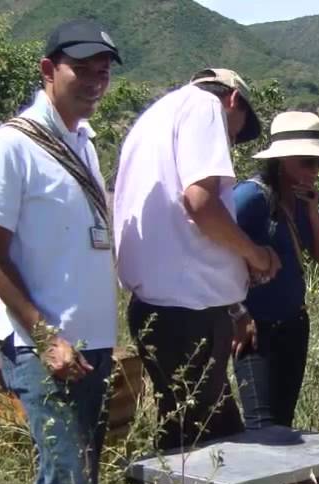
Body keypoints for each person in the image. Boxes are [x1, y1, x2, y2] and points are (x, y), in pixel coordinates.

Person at [0, 19, 121, 484]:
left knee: (79, 476)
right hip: (47, 349)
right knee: (65, 482)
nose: (94, 79)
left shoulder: (82, 142)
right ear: (47, 69)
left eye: (104, 69)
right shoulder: (11, 146)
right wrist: (43, 335)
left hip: (90, 345)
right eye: (82, 67)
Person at [114, 68, 278, 452]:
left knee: (190, 433)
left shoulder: (156, 116)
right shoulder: (206, 107)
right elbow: (201, 205)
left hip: (159, 308)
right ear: (233, 99)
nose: (232, 140)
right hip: (190, 316)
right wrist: (256, 255)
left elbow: (182, 236)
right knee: (203, 448)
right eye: (236, 131)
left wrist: (234, 309)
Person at [231, 111, 319, 429]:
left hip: (294, 325)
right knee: (261, 424)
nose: (315, 171)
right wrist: (236, 312)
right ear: (281, 161)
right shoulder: (251, 198)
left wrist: (312, 209)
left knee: (283, 423)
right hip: (256, 331)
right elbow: (212, 249)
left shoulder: (299, 201)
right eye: (307, 162)